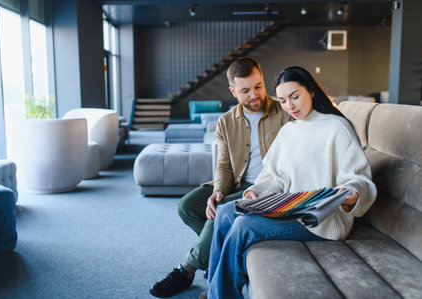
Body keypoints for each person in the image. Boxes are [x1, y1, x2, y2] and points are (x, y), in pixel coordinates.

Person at [204, 66, 377, 299]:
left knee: (244, 227)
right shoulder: (289, 130)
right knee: (225, 213)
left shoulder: (337, 128)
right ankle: (215, 289)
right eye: (283, 100)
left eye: (295, 97)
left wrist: (353, 192)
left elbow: (358, 178)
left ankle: (220, 295)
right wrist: (255, 191)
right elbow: (274, 176)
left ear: (312, 91)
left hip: (321, 220)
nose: (290, 106)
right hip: (288, 207)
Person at [149, 57, 293, 298]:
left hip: (268, 186)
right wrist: (218, 190)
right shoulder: (226, 121)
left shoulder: (284, 111)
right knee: (187, 207)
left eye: (258, 86)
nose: (255, 95)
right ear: (233, 91)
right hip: (237, 182)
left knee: (219, 213)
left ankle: (187, 268)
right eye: (245, 90)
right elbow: (224, 165)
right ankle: (218, 253)